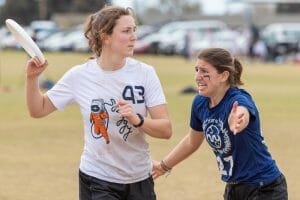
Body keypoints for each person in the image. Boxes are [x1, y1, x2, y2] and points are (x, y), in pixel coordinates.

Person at [25, 6, 172, 200]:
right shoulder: (79, 75)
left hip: (140, 178)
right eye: (126, 31)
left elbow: (165, 129)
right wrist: (32, 79)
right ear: (105, 36)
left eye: (134, 30)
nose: (134, 36)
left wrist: (138, 120)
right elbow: (39, 109)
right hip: (98, 179)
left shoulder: (145, 73)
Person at [152, 48, 288, 200]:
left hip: (265, 188)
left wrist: (238, 120)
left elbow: (243, 113)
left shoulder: (238, 99)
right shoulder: (200, 103)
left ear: (223, 75)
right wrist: (164, 166)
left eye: (204, 71)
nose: (197, 77)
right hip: (234, 188)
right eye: (196, 70)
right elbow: (192, 142)